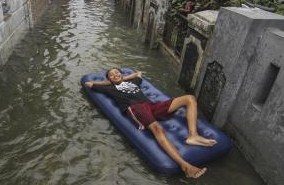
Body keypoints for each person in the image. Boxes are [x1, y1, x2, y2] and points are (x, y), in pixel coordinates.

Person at [85, 68, 217, 179]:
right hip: (135, 108)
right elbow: (89, 83)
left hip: (152, 105)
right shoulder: (109, 88)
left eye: (117, 72)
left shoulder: (133, 82)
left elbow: (138, 74)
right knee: (158, 129)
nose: (115, 75)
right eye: (111, 75)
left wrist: (122, 79)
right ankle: (185, 166)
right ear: (108, 79)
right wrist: (110, 82)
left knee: (189, 98)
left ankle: (193, 136)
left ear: (122, 74)